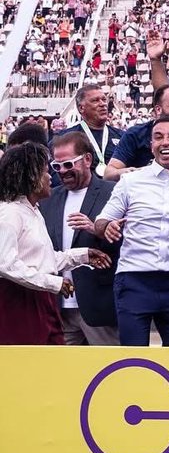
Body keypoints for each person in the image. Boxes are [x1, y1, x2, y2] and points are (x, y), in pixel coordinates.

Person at [95, 116, 169, 346]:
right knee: (133, 356)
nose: (165, 142)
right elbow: (101, 221)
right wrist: (108, 227)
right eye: (158, 137)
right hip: (134, 279)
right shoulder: (130, 181)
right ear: (151, 145)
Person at [0, 141, 111, 344]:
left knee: (52, 355)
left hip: (43, 299)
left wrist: (83, 255)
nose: (51, 176)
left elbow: (41, 259)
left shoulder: (33, 211)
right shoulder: (10, 213)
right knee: (31, 359)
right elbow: (5, 264)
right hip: (20, 302)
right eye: (45, 171)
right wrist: (53, 283)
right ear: (31, 176)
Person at [38, 132, 120, 345]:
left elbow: (127, 243)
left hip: (99, 306)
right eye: (57, 166)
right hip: (59, 307)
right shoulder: (48, 198)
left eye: (68, 164)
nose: (62, 171)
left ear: (87, 159)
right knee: (61, 367)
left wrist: (97, 229)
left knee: (108, 365)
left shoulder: (113, 192)